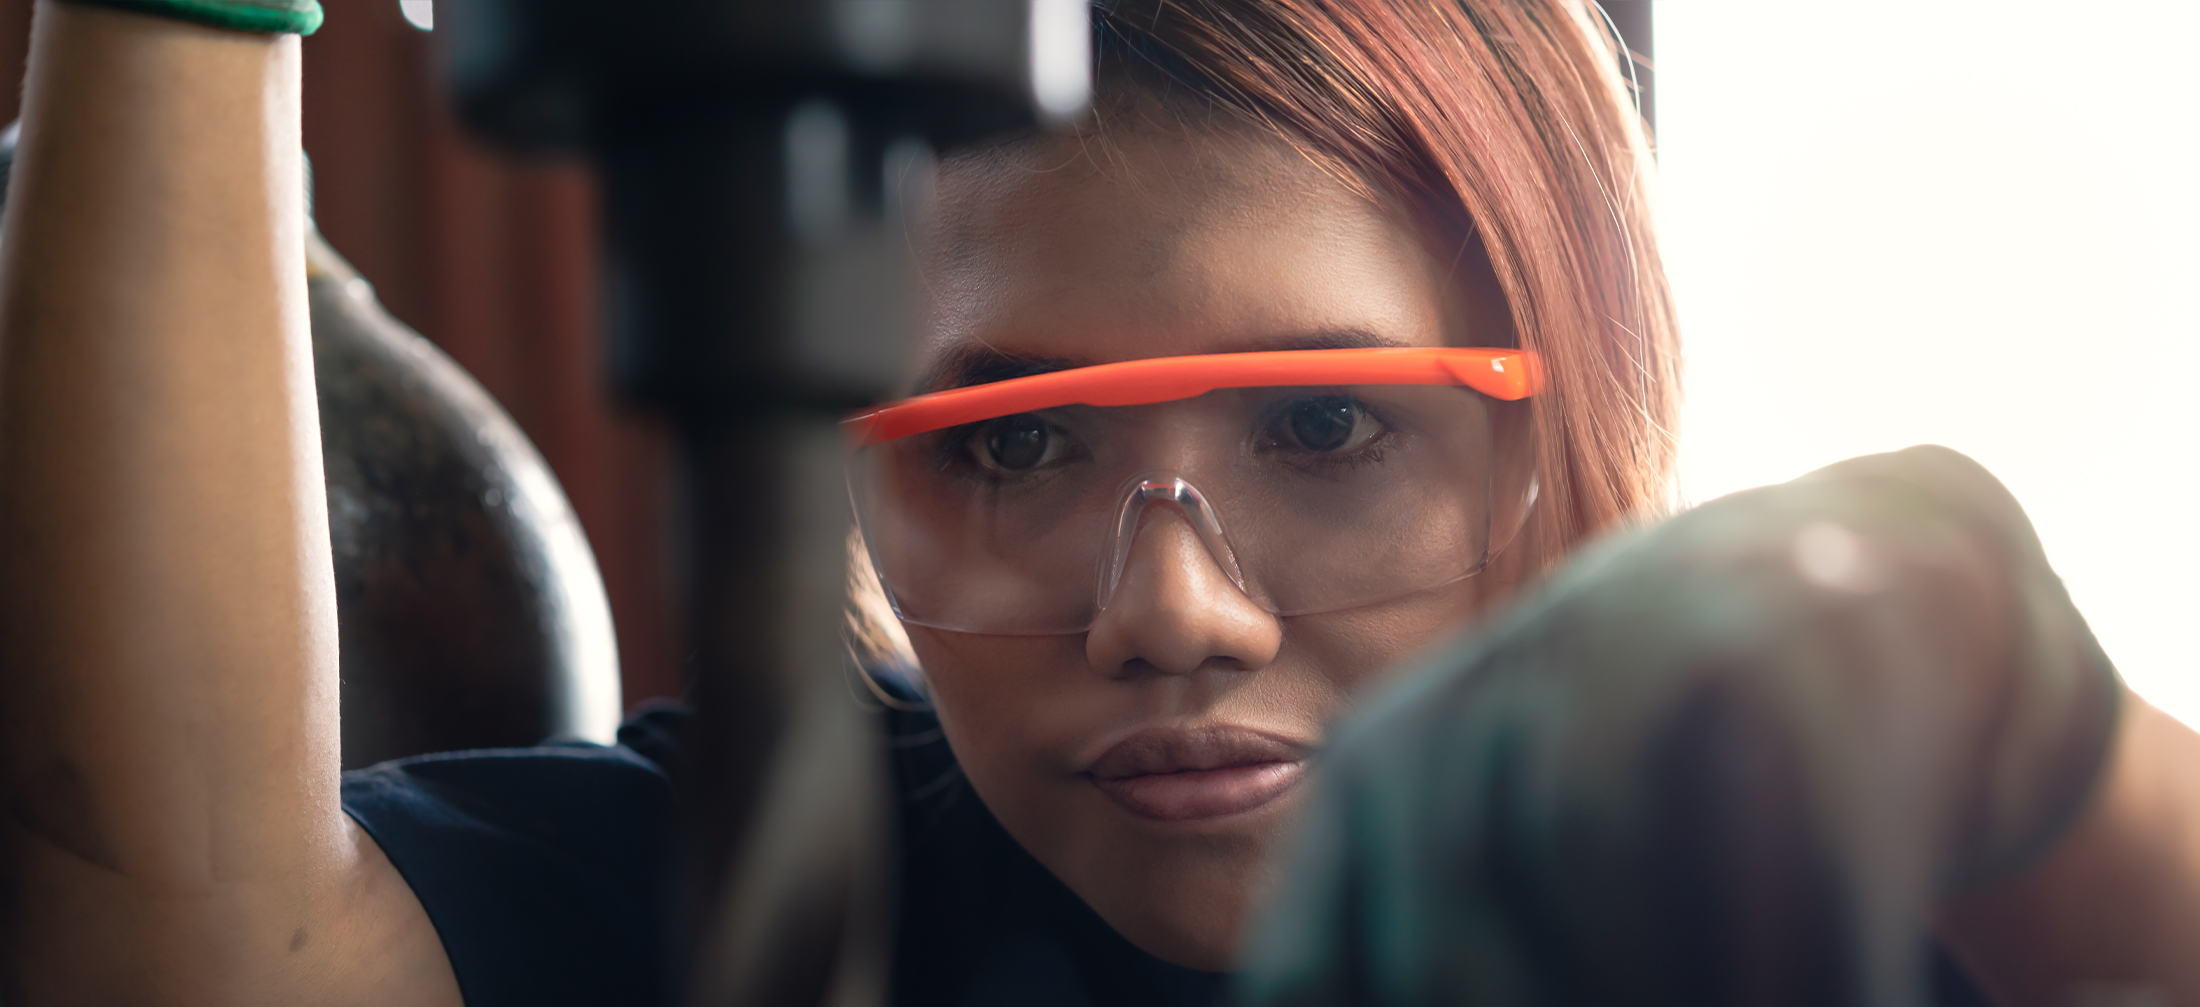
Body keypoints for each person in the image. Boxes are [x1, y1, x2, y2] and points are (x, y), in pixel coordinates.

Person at [1, 2, 2196, 1007]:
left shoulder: (1792, 866)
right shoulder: (793, 872)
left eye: (1323, 432)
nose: (1170, 611)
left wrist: (2073, 776)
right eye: (1012, 446)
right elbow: (186, 947)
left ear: (1576, 402)